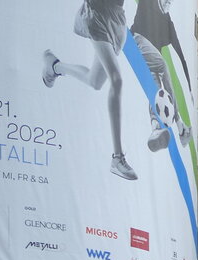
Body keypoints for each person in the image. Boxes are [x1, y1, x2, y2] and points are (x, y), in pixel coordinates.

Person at [42, 0, 138, 180]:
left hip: (117, 19)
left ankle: (54, 67)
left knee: (94, 81)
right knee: (116, 80)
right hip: (97, 14)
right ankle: (117, 158)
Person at [130, 0, 194, 152]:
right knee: (162, 65)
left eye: (170, 2)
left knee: (157, 91)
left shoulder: (168, 23)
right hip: (138, 40)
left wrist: (190, 88)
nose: (167, 4)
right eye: (165, 1)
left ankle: (156, 128)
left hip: (151, 59)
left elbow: (182, 56)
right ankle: (179, 124)